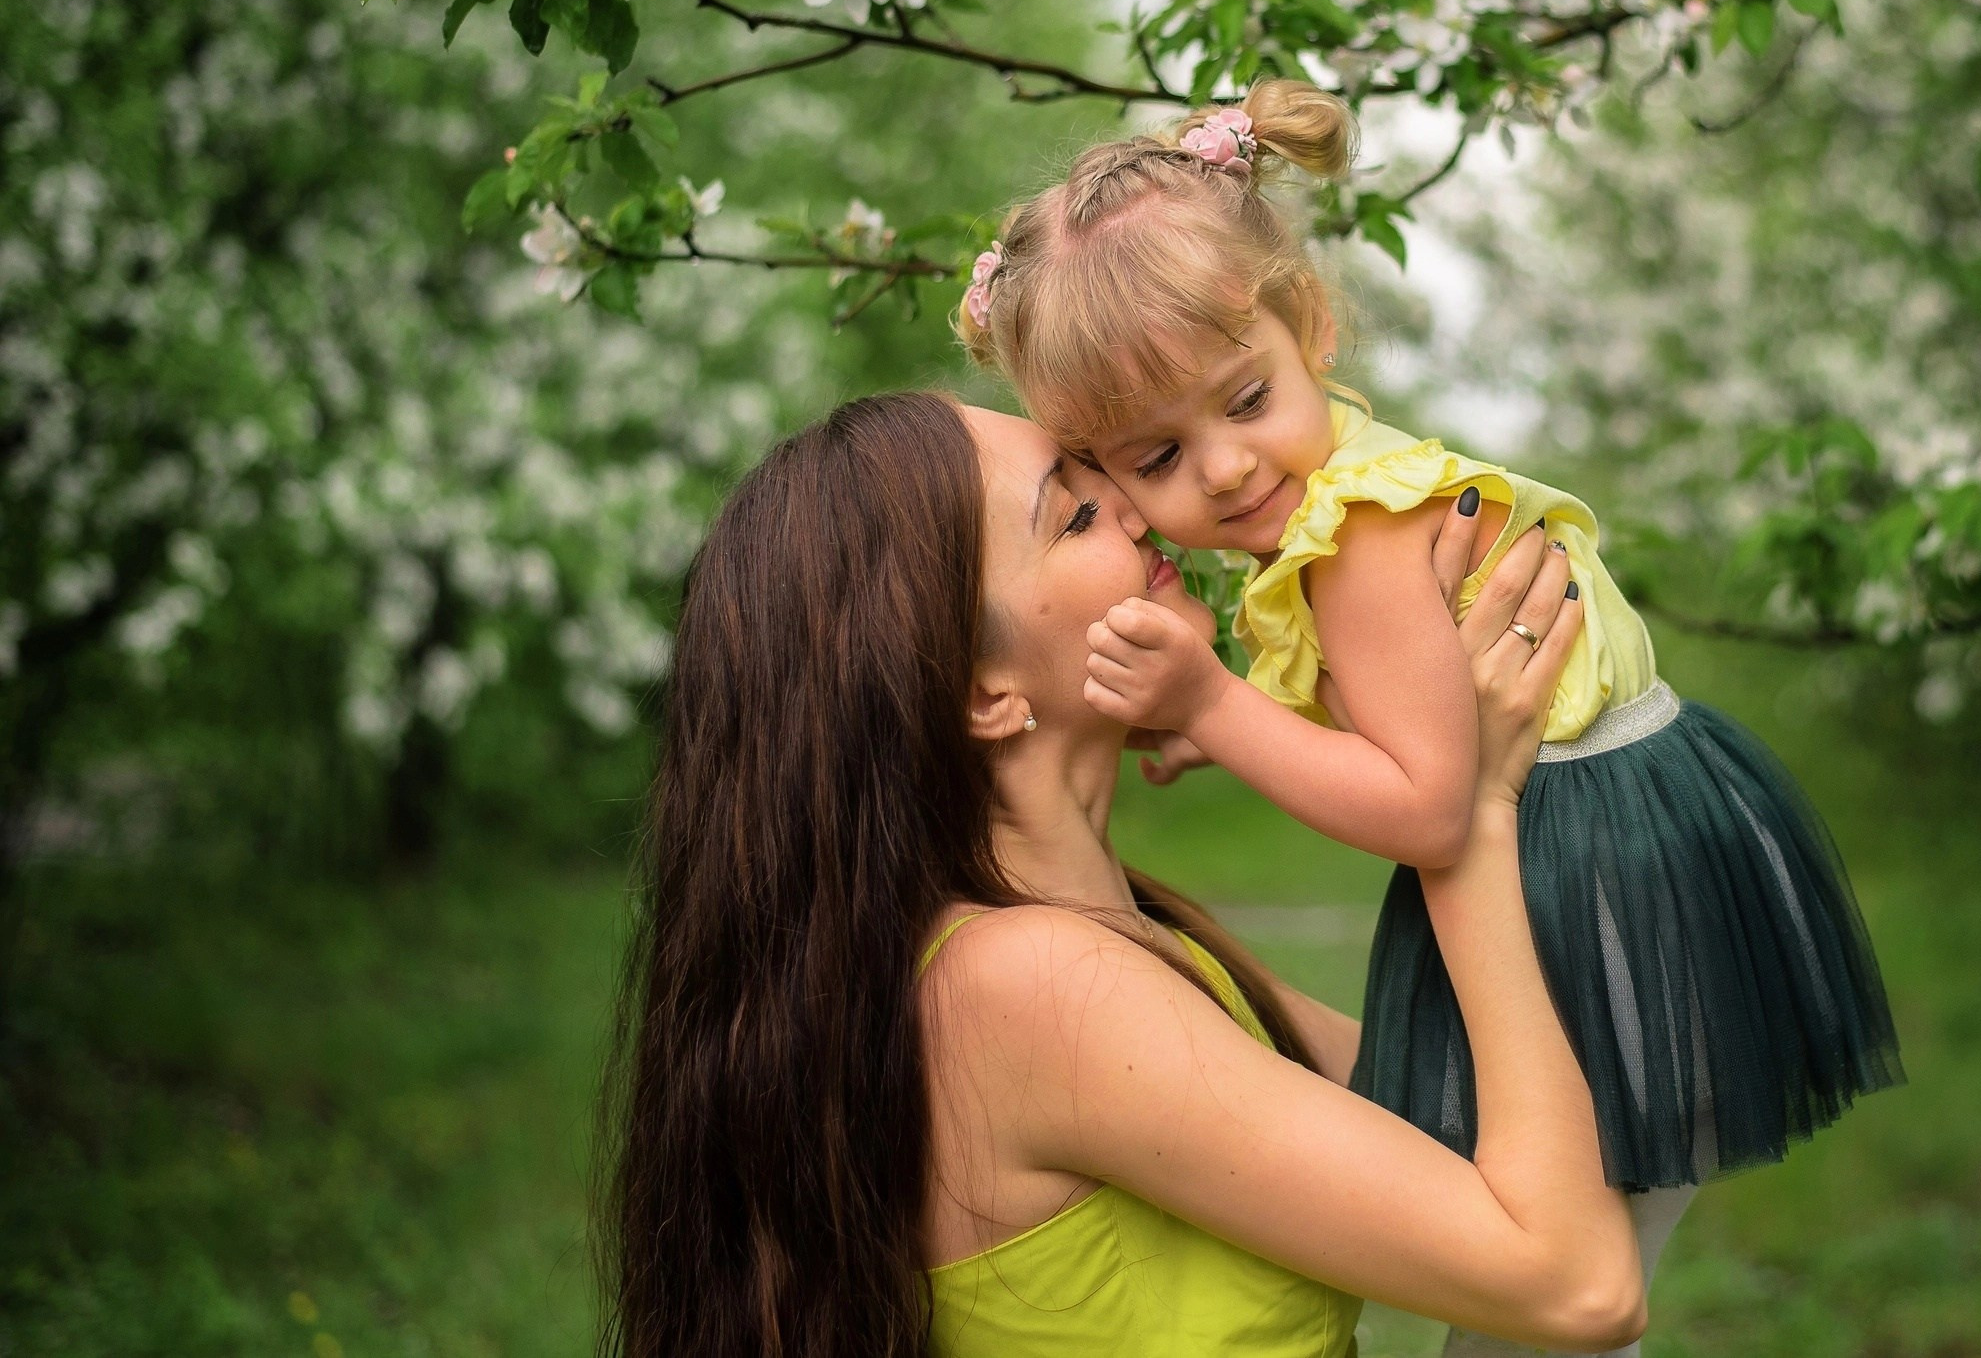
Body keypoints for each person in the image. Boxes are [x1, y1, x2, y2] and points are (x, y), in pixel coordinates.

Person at [957, 82, 1903, 1351]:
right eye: (1149, 461)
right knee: (1561, 1217)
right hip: (1602, 827)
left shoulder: (1357, 533)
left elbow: (1426, 804)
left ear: (1309, 323)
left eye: (1242, 403)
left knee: (1560, 1263)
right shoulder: (1331, 494)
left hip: (1586, 855)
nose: (1223, 468)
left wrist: (1217, 704)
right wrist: (1221, 716)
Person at [603, 391, 1644, 1358]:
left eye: (1100, 474)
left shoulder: (1107, 932)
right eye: (1071, 515)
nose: (1140, 512)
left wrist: (1391, 681)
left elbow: (1464, 1113)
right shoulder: (1037, 988)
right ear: (979, 690)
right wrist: (1465, 822)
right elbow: (1575, 1282)